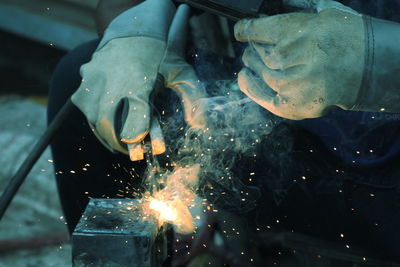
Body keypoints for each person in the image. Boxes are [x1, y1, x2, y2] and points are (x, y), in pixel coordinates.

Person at [48, 0, 400, 263]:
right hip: (264, 133)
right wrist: (134, 31)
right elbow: (121, 3)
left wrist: (379, 63)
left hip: (390, 183)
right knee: (77, 83)